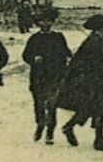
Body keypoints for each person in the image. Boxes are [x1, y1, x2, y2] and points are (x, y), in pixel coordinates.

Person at [59, 14, 103, 151]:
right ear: (99, 29)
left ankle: (69, 127)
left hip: (102, 80)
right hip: (91, 82)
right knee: (96, 109)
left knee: (90, 110)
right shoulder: (92, 42)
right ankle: (98, 141)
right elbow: (80, 62)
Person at [23, 10, 71, 144]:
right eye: (43, 21)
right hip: (38, 76)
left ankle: (50, 132)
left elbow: (66, 52)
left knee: (52, 104)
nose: (46, 23)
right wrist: (33, 58)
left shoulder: (58, 37)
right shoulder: (34, 38)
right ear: (38, 23)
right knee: (39, 103)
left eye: (49, 21)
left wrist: (68, 57)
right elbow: (26, 55)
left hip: (55, 75)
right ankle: (40, 125)